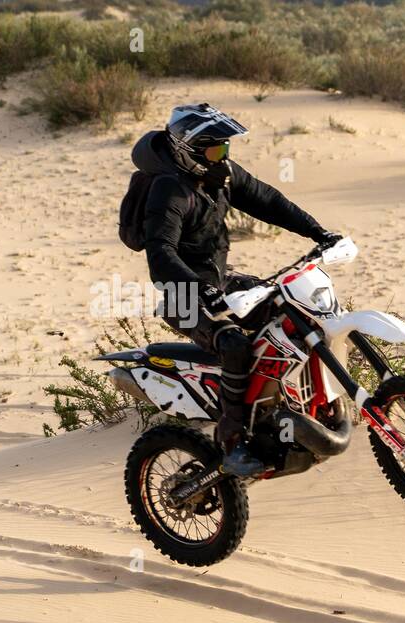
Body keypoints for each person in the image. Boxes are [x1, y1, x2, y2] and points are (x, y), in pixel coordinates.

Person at [131, 103, 341, 477]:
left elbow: (268, 201)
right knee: (234, 345)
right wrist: (201, 290)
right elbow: (160, 253)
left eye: (226, 149)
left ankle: (292, 406)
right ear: (189, 151)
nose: (224, 156)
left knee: (295, 311)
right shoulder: (170, 190)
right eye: (216, 150)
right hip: (183, 294)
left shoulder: (222, 176)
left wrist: (317, 231)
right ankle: (234, 441)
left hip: (222, 281)